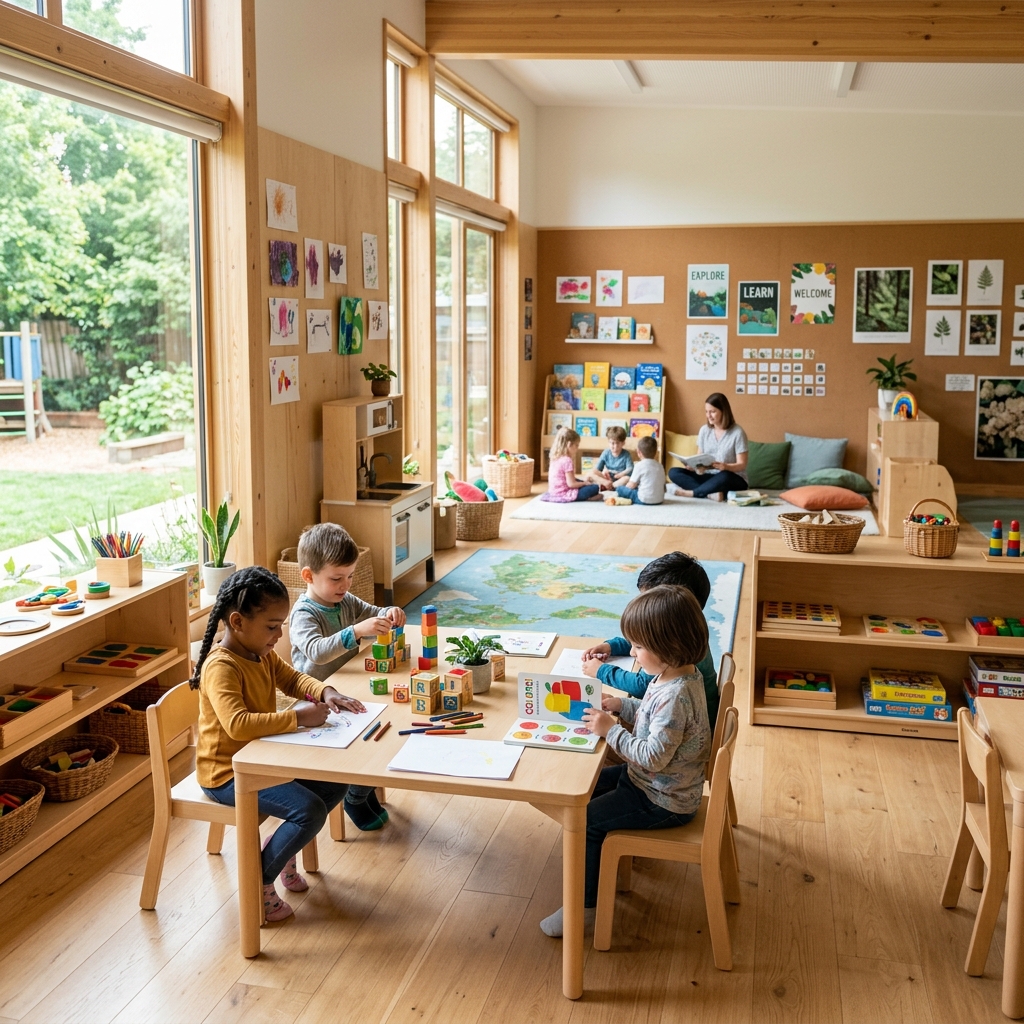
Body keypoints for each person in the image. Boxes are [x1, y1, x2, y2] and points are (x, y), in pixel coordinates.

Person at [192, 566, 382, 923]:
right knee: (307, 811)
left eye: (280, 625)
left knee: (333, 783)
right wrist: (298, 718)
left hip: (261, 760)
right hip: (226, 775)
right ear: (237, 622)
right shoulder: (222, 667)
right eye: (271, 626)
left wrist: (325, 691)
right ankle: (260, 878)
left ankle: (280, 852)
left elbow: (292, 678)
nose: (278, 635)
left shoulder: (258, 653)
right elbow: (236, 725)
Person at [539, 585, 712, 937]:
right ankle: (594, 874)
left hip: (664, 798)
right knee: (578, 787)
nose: (631, 651)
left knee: (585, 821)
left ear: (669, 646)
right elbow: (653, 721)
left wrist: (610, 730)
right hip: (653, 782)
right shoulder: (675, 676)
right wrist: (622, 706)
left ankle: (584, 908)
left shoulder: (676, 696)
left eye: (638, 646)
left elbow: (654, 755)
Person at [580, 551, 719, 730]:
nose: (633, 650)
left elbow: (641, 686)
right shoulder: (688, 634)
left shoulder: (674, 686)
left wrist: (601, 671)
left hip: (684, 733)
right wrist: (611, 646)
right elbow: (646, 638)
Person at [289, 522, 406, 682]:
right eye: (336, 578)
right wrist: (356, 631)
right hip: (315, 695)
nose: (346, 584)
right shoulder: (303, 613)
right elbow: (317, 652)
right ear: (309, 576)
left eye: (350, 576)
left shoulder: (345, 599)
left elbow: (373, 613)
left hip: (347, 681)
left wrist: (389, 613)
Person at [668, 392, 748, 499]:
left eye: (712, 412)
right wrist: (694, 466)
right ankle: (711, 493)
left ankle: (693, 493)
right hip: (709, 476)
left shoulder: (737, 432)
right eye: (706, 411)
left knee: (724, 475)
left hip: (731, 478)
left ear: (724, 411)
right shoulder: (704, 430)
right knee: (674, 472)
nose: (708, 415)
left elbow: (742, 464)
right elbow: (699, 458)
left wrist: (726, 467)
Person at [543, 427, 601, 502]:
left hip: (554, 492)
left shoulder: (555, 457)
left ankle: (588, 493)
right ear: (569, 444)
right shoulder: (567, 460)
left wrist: (582, 482)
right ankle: (588, 498)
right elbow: (571, 484)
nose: (577, 448)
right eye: (576, 445)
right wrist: (584, 483)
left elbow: (568, 479)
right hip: (564, 493)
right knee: (595, 487)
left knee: (583, 482)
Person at [615, 435, 666, 505]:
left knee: (620, 489)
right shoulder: (660, 466)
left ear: (639, 452)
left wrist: (626, 488)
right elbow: (664, 488)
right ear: (656, 452)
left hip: (643, 499)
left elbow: (631, 485)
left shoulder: (639, 465)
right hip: (659, 499)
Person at [586, 424, 633, 489]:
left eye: (618, 443)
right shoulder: (606, 452)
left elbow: (630, 468)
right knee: (591, 472)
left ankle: (611, 486)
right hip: (607, 478)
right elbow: (597, 469)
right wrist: (604, 473)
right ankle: (607, 484)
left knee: (627, 478)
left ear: (623, 443)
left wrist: (622, 474)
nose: (615, 446)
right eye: (612, 443)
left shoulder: (626, 454)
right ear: (608, 442)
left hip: (619, 478)